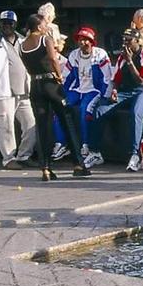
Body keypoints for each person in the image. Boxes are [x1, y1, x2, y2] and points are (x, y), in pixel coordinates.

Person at [19, 14, 90, 181]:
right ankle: (78, 164)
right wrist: (59, 76)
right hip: (51, 83)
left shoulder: (22, 45)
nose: (46, 26)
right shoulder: (45, 39)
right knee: (66, 120)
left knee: (43, 127)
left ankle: (45, 167)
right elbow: (53, 58)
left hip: (35, 85)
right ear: (39, 26)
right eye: (44, 24)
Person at [0, 10, 36, 169]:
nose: (6, 26)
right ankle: (8, 159)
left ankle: (24, 155)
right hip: (3, 90)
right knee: (5, 126)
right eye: (4, 23)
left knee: (31, 124)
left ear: (15, 24)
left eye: (10, 23)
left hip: (24, 91)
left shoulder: (22, 40)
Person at [91, 27, 143, 171]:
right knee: (100, 111)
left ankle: (134, 154)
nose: (125, 44)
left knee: (136, 112)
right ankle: (95, 151)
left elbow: (141, 81)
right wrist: (114, 90)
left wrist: (130, 62)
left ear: (137, 41)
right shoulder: (122, 56)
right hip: (126, 91)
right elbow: (116, 79)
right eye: (123, 41)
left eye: (128, 41)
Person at [52, 26, 112, 169]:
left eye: (86, 40)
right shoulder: (74, 55)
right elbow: (66, 76)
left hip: (94, 91)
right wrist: (61, 94)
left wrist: (106, 96)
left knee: (86, 111)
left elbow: (108, 78)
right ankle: (61, 144)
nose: (83, 42)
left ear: (92, 42)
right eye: (81, 39)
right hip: (77, 90)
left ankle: (86, 146)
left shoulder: (100, 54)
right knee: (59, 106)